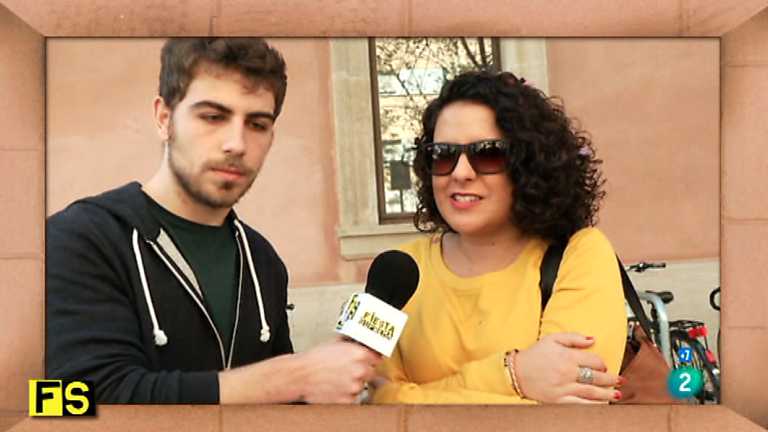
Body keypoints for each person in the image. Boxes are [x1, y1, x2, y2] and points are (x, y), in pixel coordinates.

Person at [46, 37, 380, 404]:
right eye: (213, 117)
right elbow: (66, 401)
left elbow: (271, 403)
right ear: (164, 118)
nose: (237, 143)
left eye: (257, 124)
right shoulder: (80, 239)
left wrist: (321, 381)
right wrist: (295, 376)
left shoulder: (262, 260)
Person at [371, 71, 627, 404]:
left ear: (529, 165)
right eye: (443, 154)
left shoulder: (580, 255)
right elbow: (374, 403)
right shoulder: (396, 270)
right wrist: (514, 375)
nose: (461, 173)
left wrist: (410, 399)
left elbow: (567, 418)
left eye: (488, 153)